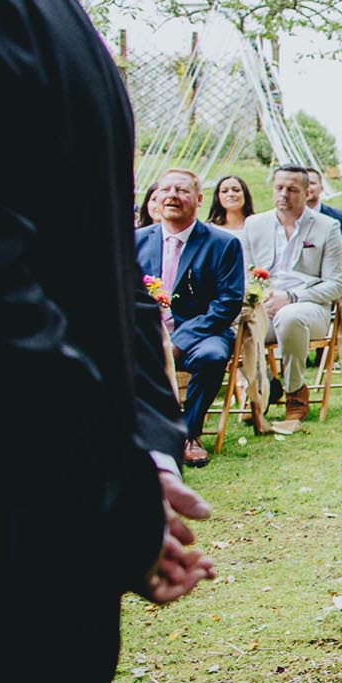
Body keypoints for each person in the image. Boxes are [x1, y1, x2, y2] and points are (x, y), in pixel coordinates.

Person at [3, 0, 217, 683]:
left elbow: (19, 309)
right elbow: (114, 281)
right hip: (62, 510)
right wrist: (140, 458)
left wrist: (119, 488)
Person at [135, 168, 245, 467]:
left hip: (202, 333)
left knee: (212, 355)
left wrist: (179, 341)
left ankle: (188, 434)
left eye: (182, 191)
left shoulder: (223, 244)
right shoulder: (136, 240)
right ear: (156, 199)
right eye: (166, 190)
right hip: (146, 332)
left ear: (198, 199)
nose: (172, 196)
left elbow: (228, 302)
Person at [239, 164, 342, 432]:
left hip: (310, 308)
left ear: (306, 191)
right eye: (279, 188)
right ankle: (262, 388)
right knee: (235, 321)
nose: (283, 194)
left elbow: (336, 285)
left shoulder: (327, 227)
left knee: (289, 316)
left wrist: (291, 296)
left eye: (292, 189)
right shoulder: (254, 224)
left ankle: (295, 391)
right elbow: (243, 274)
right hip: (262, 304)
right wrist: (260, 298)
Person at [303, 166, 342, 254]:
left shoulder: (339, 218)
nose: (307, 188)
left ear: (321, 188)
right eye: (304, 184)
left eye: (312, 183)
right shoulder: (289, 218)